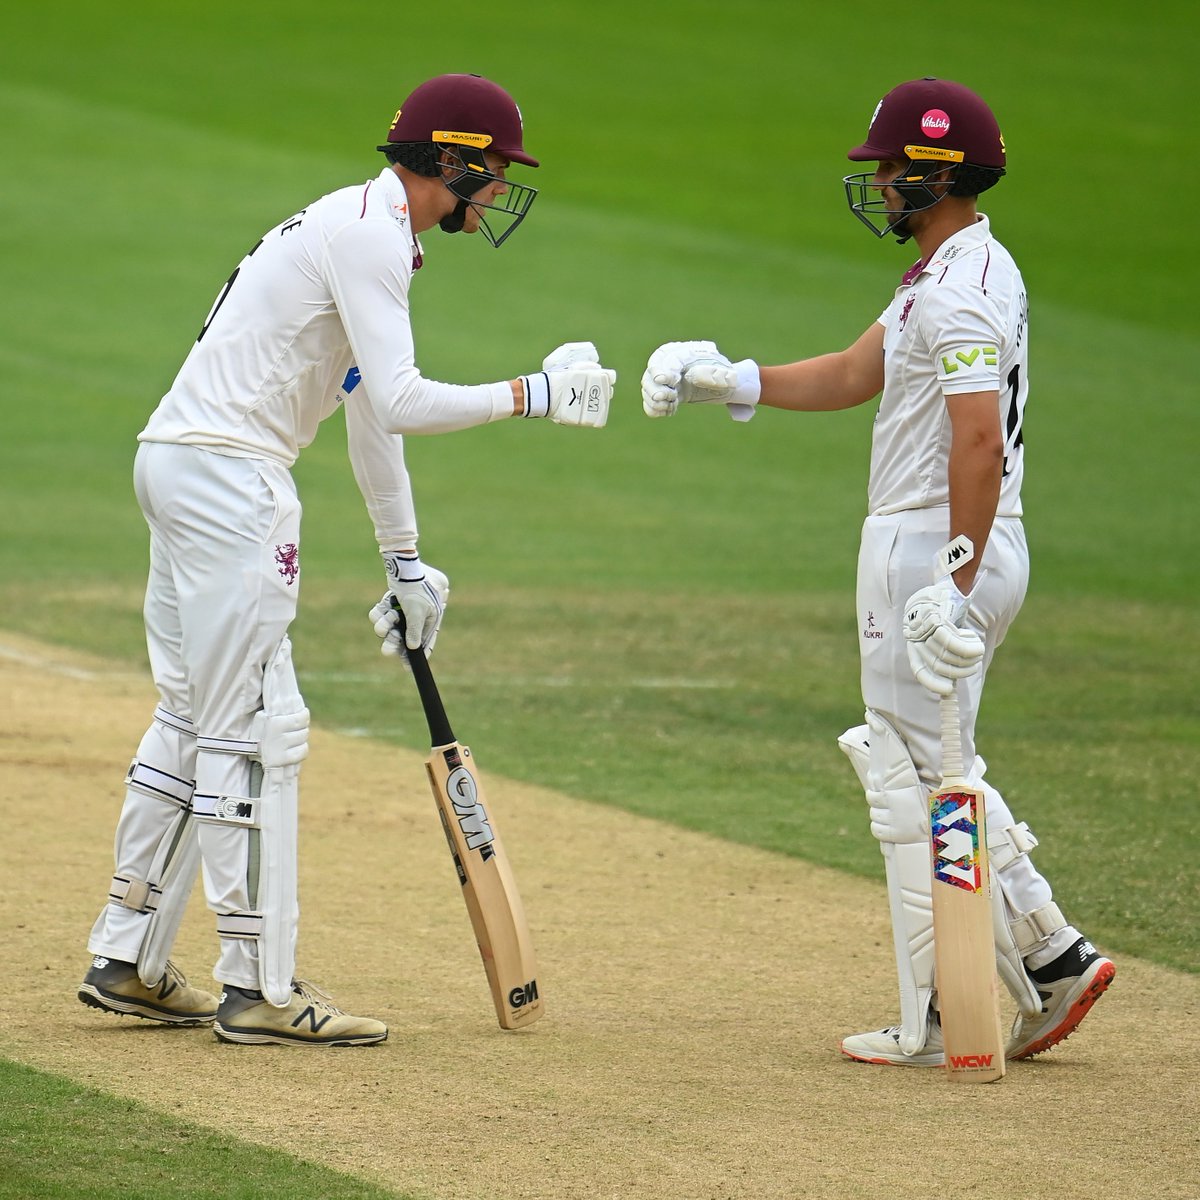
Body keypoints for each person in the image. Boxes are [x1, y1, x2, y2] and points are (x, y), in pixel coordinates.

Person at [78, 73, 616, 1047]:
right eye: (490, 173)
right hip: (232, 481)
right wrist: (535, 392)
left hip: (174, 463)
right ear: (450, 162)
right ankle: (260, 986)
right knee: (261, 727)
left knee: (196, 712)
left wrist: (404, 559)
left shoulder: (354, 226)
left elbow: (371, 413)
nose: (496, 191)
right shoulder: (371, 238)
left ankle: (130, 955)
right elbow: (405, 400)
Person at [640, 77, 1114, 1066]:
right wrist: (733, 380)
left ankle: (974, 991)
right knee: (934, 766)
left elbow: (977, 441)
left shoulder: (963, 290)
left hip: (937, 543)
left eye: (894, 171)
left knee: (918, 776)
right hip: (945, 542)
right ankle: (1026, 958)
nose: (881, 185)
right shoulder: (941, 278)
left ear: (940, 174)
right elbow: (859, 373)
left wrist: (954, 573)